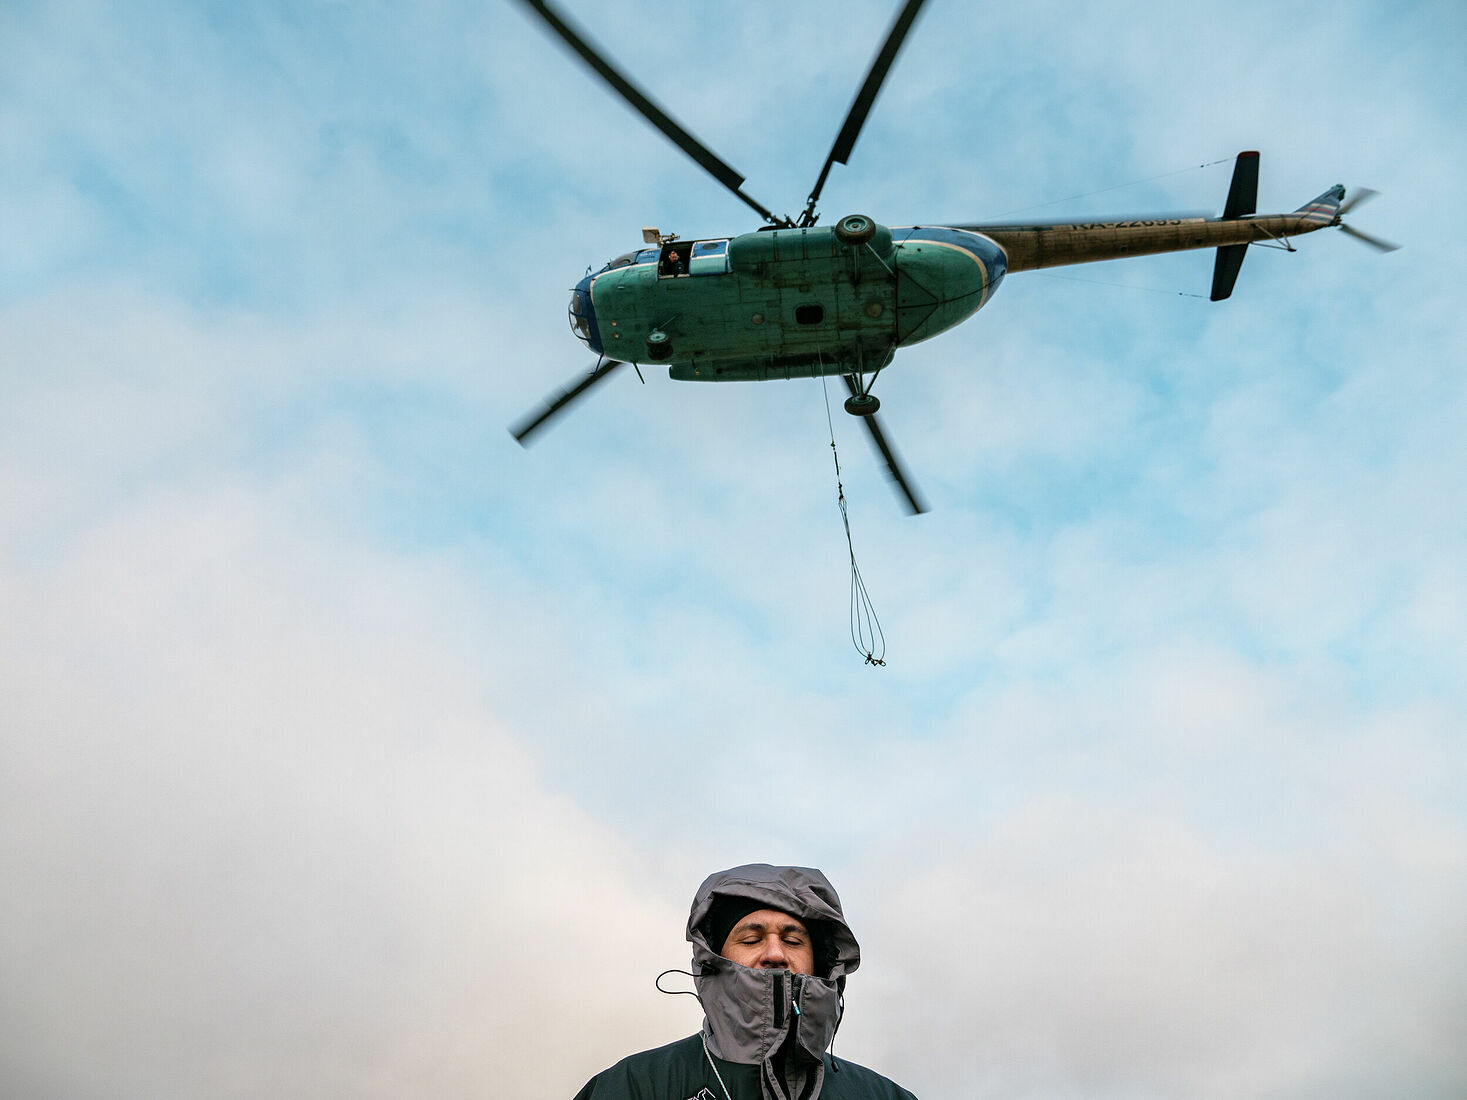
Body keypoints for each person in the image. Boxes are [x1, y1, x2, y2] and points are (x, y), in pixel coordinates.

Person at [572, 863, 918, 1100]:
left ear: (821, 962)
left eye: (793, 940)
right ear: (714, 959)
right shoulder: (633, 1086)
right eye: (751, 939)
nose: (775, 953)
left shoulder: (883, 1096)